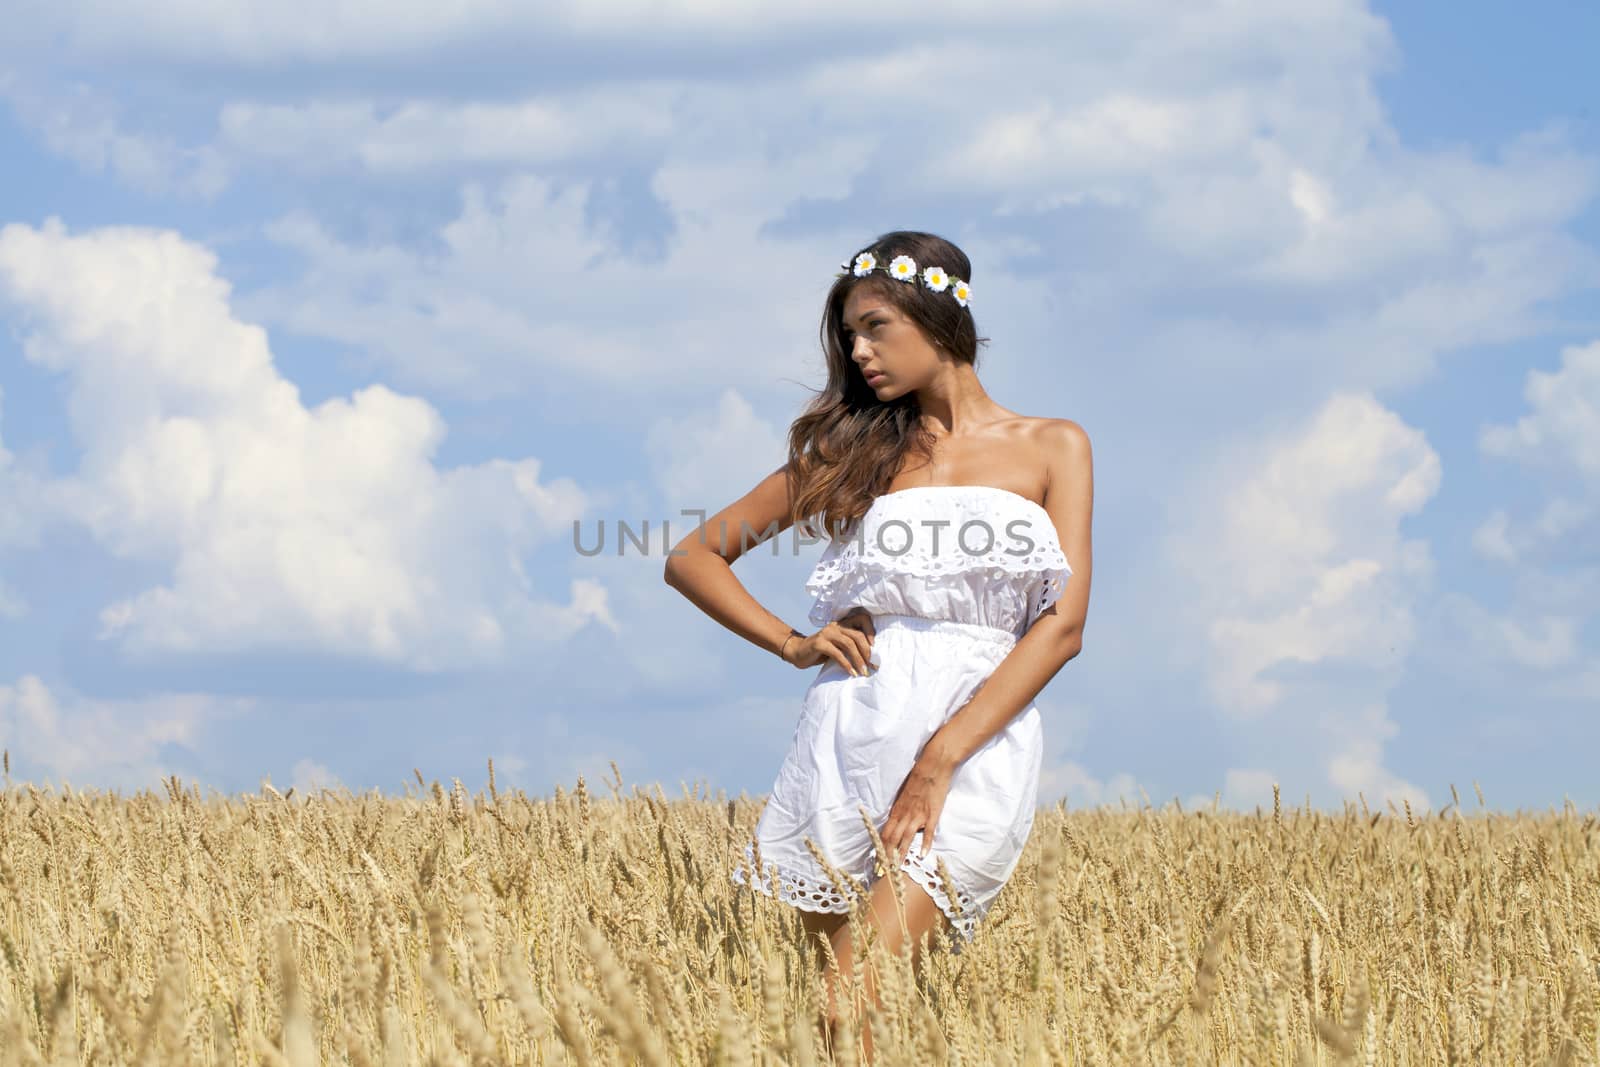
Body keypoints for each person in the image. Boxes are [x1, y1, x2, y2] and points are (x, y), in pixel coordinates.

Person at [663, 229, 1093, 1060]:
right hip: (850, 735)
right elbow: (692, 556)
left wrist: (938, 762)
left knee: (848, 997)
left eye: (875, 327)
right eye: (849, 335)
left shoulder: (1053, 445)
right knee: (845, 1026)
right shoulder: (857, 449)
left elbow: (1062, 626)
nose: (858, 351)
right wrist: (793, 643)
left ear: (940, 319)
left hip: (971, 745)